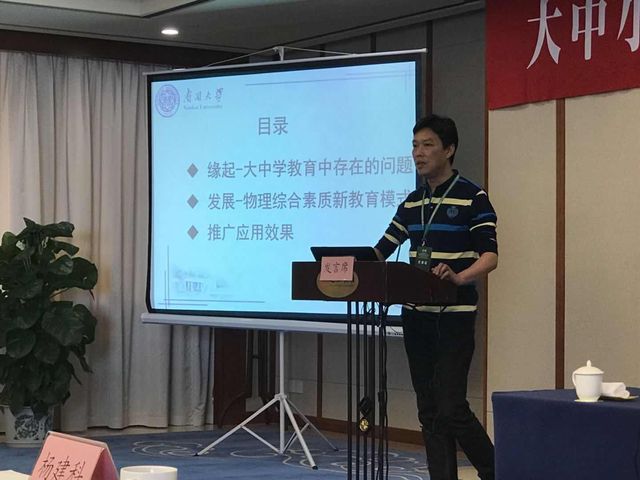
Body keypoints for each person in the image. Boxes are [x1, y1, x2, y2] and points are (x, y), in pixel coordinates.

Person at [374, 114, 497, 480]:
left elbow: (490, 256)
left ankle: (497, 469)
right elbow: (381, 250)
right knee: (428, 409)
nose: (418, 153)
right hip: (417, 317)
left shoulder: (473, 197)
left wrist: (459, 276)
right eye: (415, 145)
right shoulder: (412, 203)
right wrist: (347, 266)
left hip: (455, 316)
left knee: (451, 406)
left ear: (449, 149)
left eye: (427, 145)